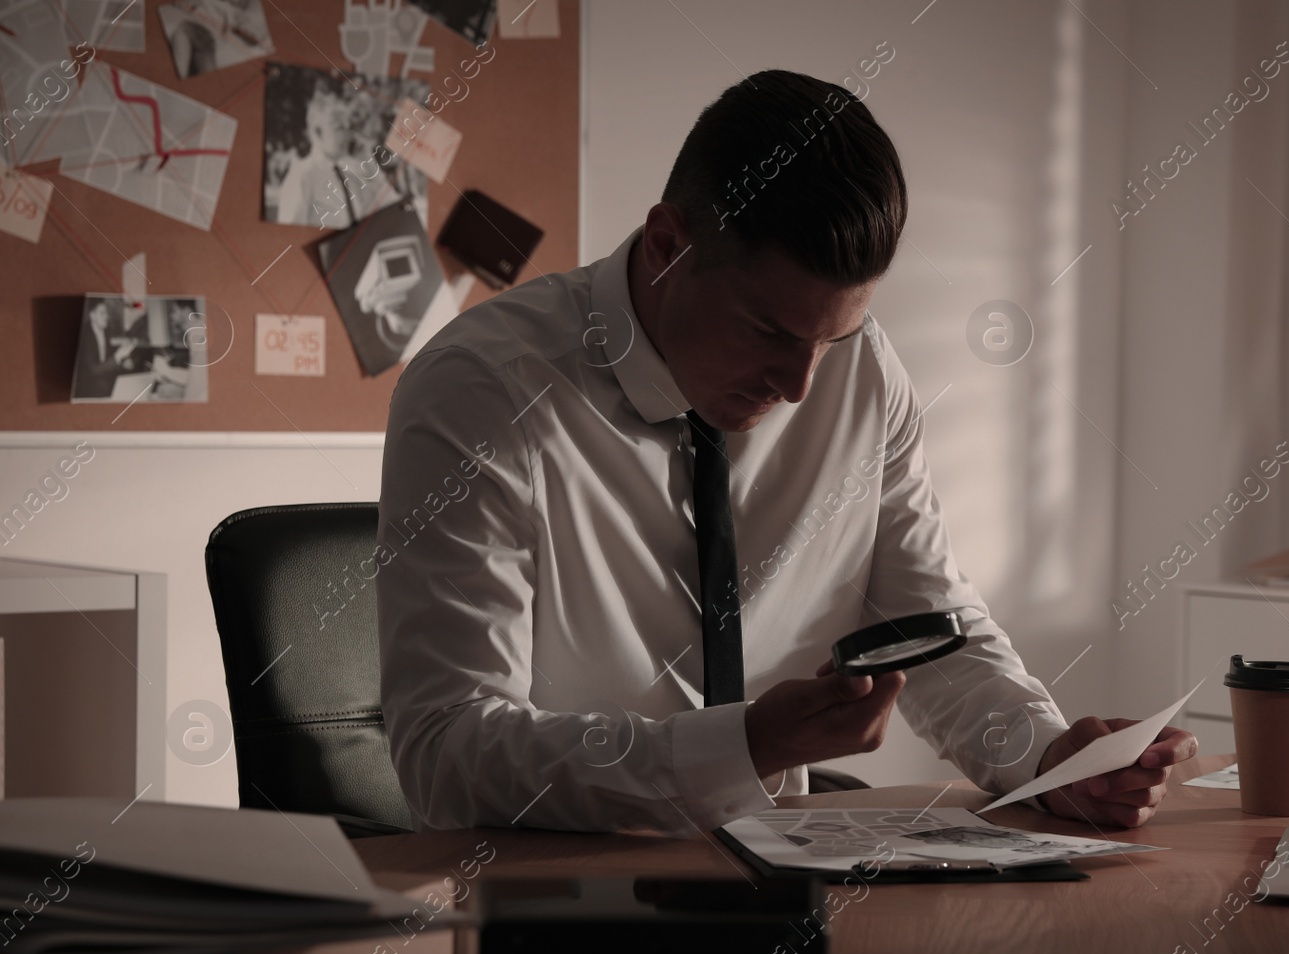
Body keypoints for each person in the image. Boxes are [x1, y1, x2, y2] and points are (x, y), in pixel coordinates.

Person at [376, 69, 1197, 836]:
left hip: (791, 883)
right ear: (667, 245)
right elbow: (448, 754)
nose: (800, 386)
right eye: (768, 330)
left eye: (832, 337)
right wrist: (736, 747)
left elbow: (930, 629)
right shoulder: (481, 391)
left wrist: (1051, 759)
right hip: (561, 910)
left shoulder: (862, 374)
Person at [274, 89, 354, 227]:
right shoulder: (301, 177)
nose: (348, 136)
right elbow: (289, 235)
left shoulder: (347, 172)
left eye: (348, 128)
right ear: (318, 132)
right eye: (339, 128)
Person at [73, 297, 141, 399]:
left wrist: (123, 365)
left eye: (107, 313)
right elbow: (93, 370)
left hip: (103, 382)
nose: (107, 317)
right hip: (87, 388)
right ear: (92, 315)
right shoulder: (84, 335)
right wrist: (117, 357)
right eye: (102, 313)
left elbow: (107, 361)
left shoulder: (106, 331)